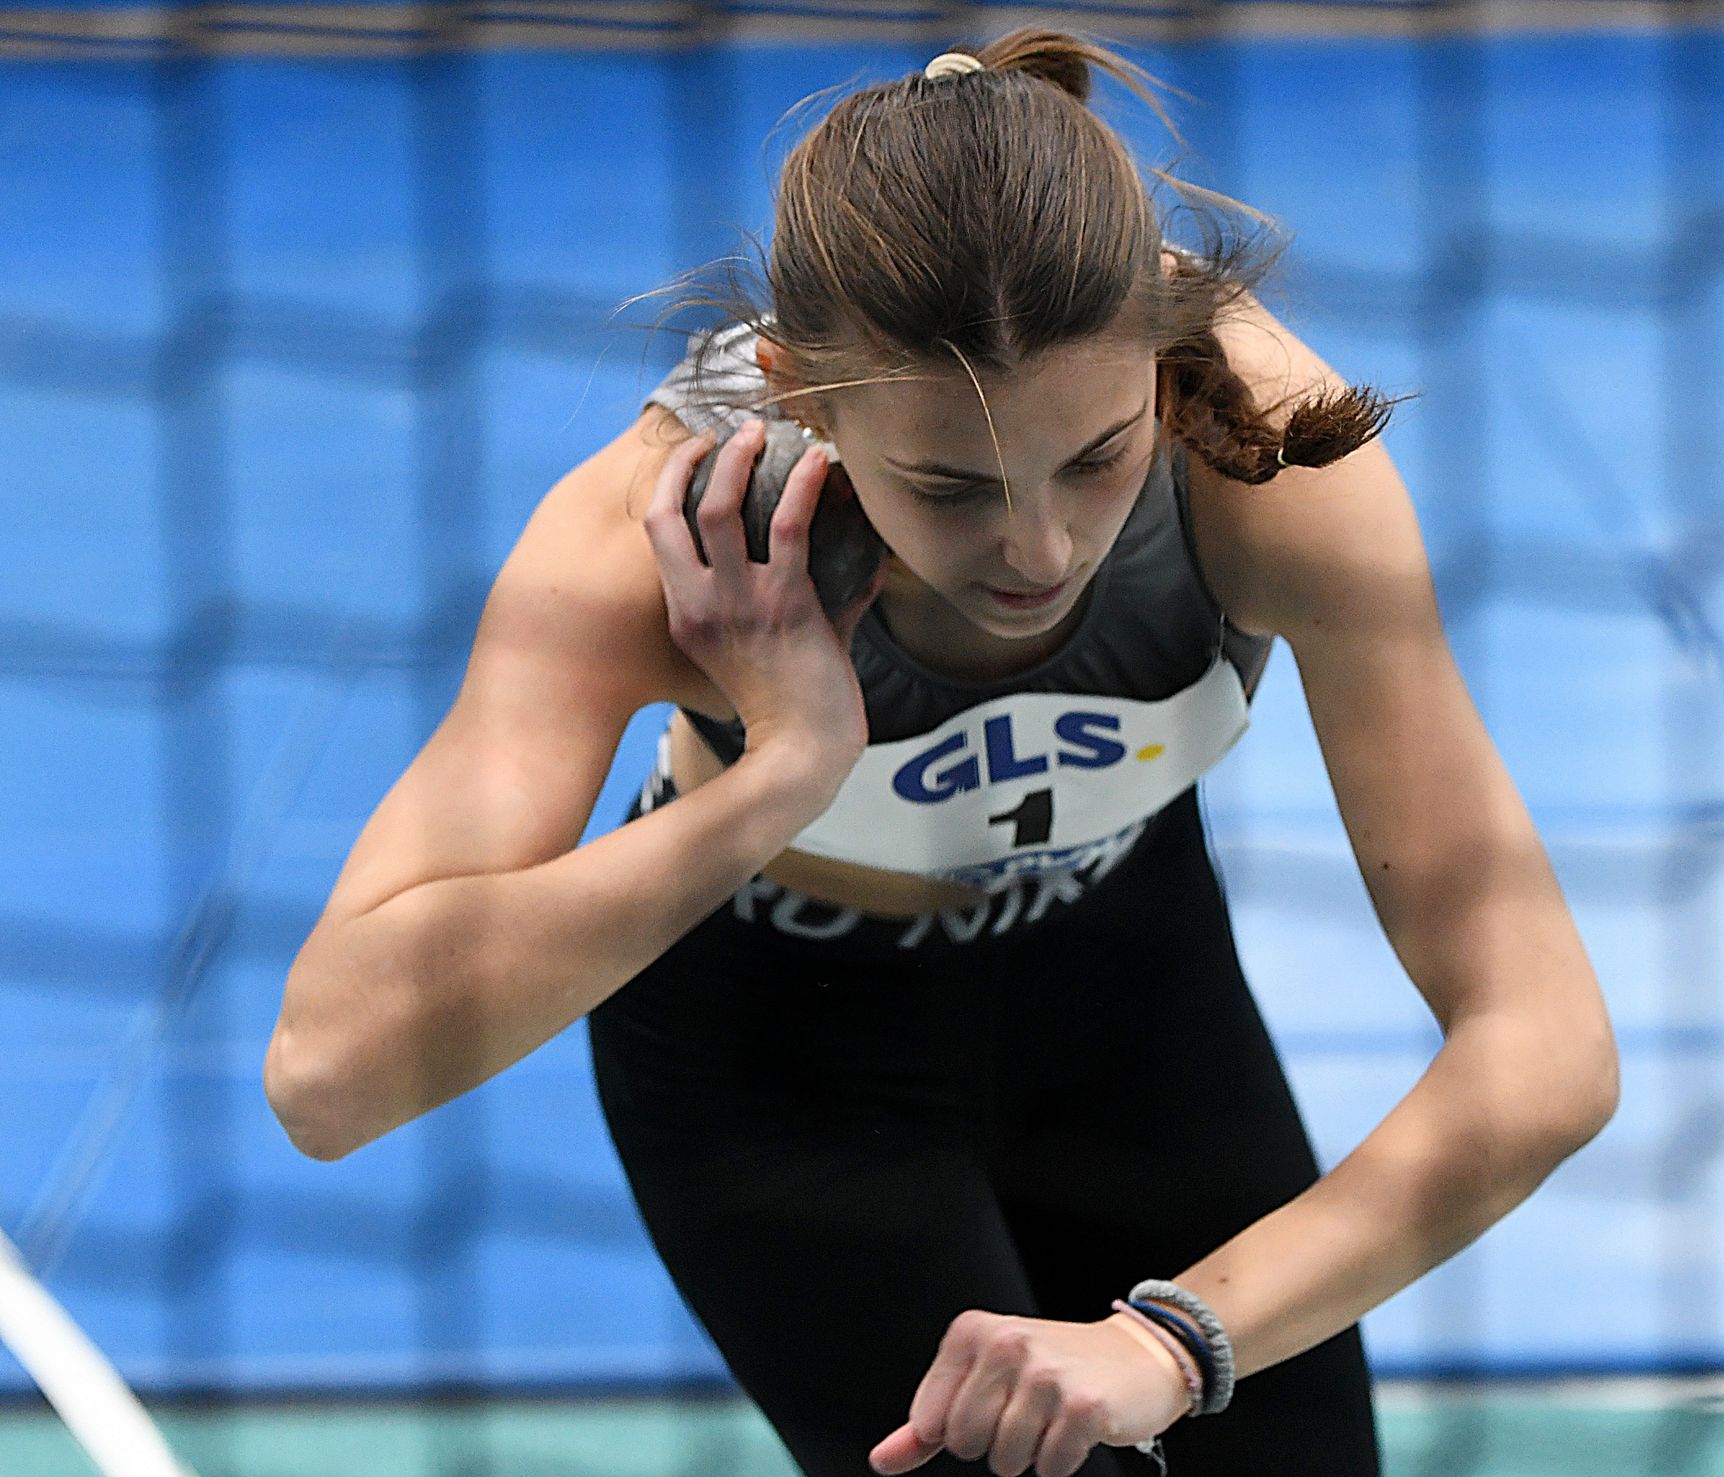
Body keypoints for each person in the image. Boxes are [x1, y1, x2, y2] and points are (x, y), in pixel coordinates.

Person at [265, 27, 1619, 1477]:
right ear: (800, 393)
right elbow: (328, 1075)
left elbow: (1547, 1048)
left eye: (1096, 458)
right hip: (779, 1062)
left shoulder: (1266, 459)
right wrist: (784, 773)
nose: (1041, 550)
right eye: (951, 486)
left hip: (1126, 986)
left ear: (1161, 369)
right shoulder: (647, 544)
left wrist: (1173, 1342)